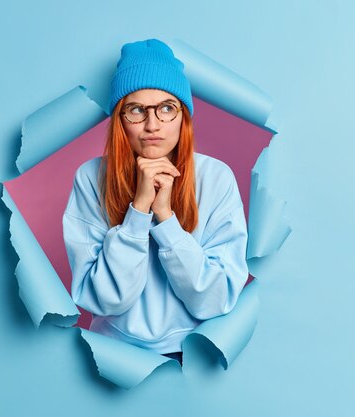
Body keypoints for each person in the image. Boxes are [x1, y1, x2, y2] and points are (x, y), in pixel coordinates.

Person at [62, 39, 249, 365]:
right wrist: (138, 210)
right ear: (120, 119)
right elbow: (105, 301)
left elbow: (216, 300)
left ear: (183, 116)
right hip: (111, 355)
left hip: (193, 357)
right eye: (137, 110)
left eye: (166, 108)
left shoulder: (216, 177)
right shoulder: (91, 178)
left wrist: (165, 219)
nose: (153, 125)